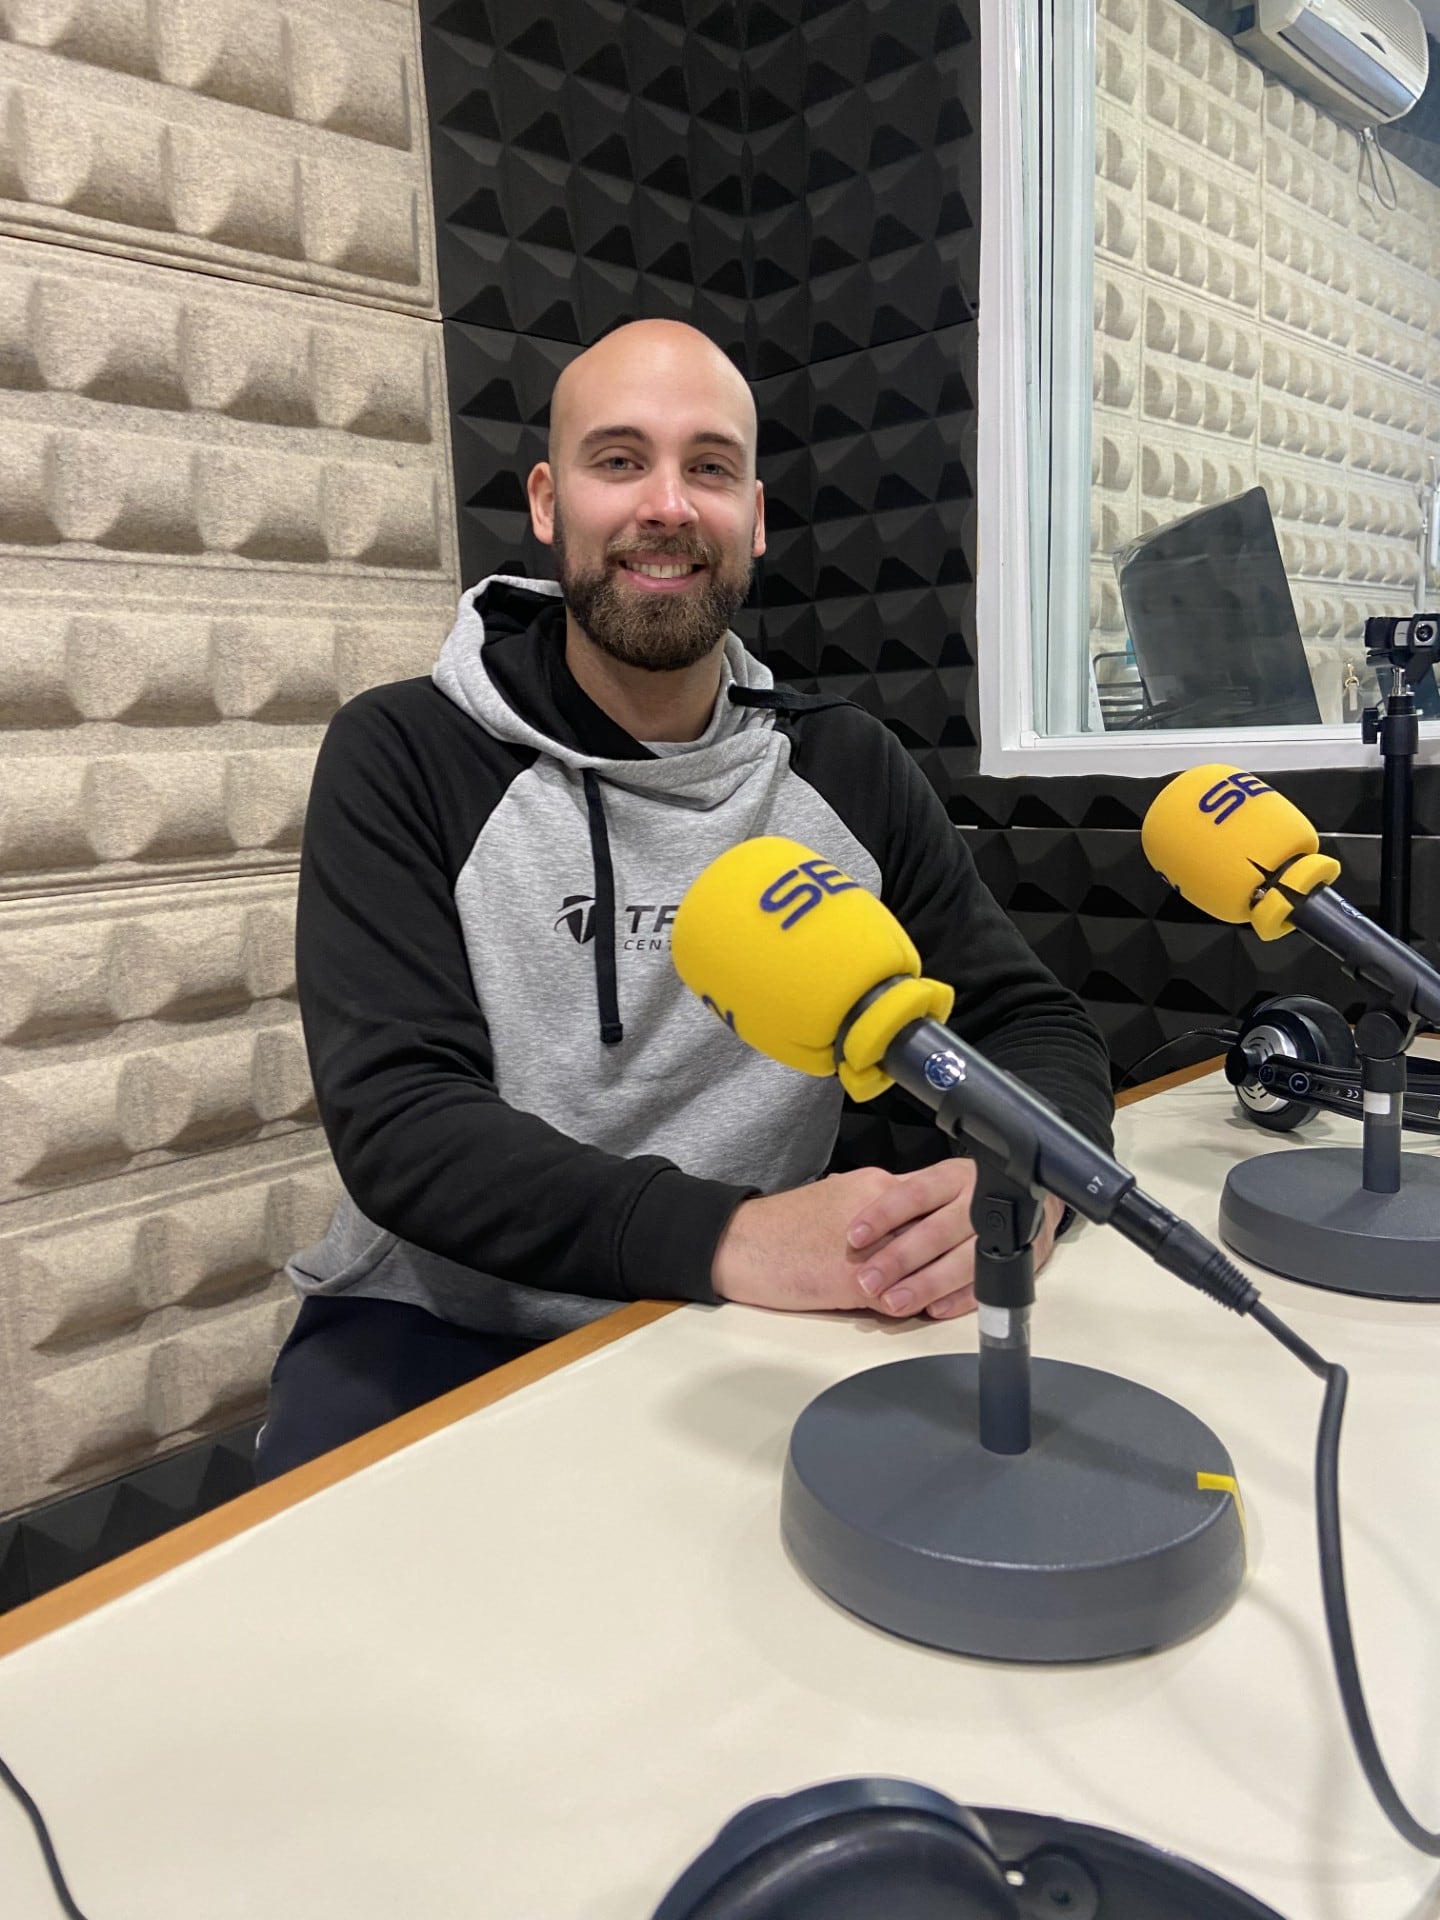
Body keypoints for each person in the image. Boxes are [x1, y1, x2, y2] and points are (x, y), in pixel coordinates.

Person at [254, 320, 1113, 1480]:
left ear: (753, 517)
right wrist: (736, 1236)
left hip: (741, 1323)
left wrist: (1022, 1184)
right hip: (441, 1328)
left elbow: (1036, 1025)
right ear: (550, 505)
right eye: (621, 461)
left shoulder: (850, 767)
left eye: (708, 467)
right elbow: (403, 1125)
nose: (667, 505)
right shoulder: (406, 751)